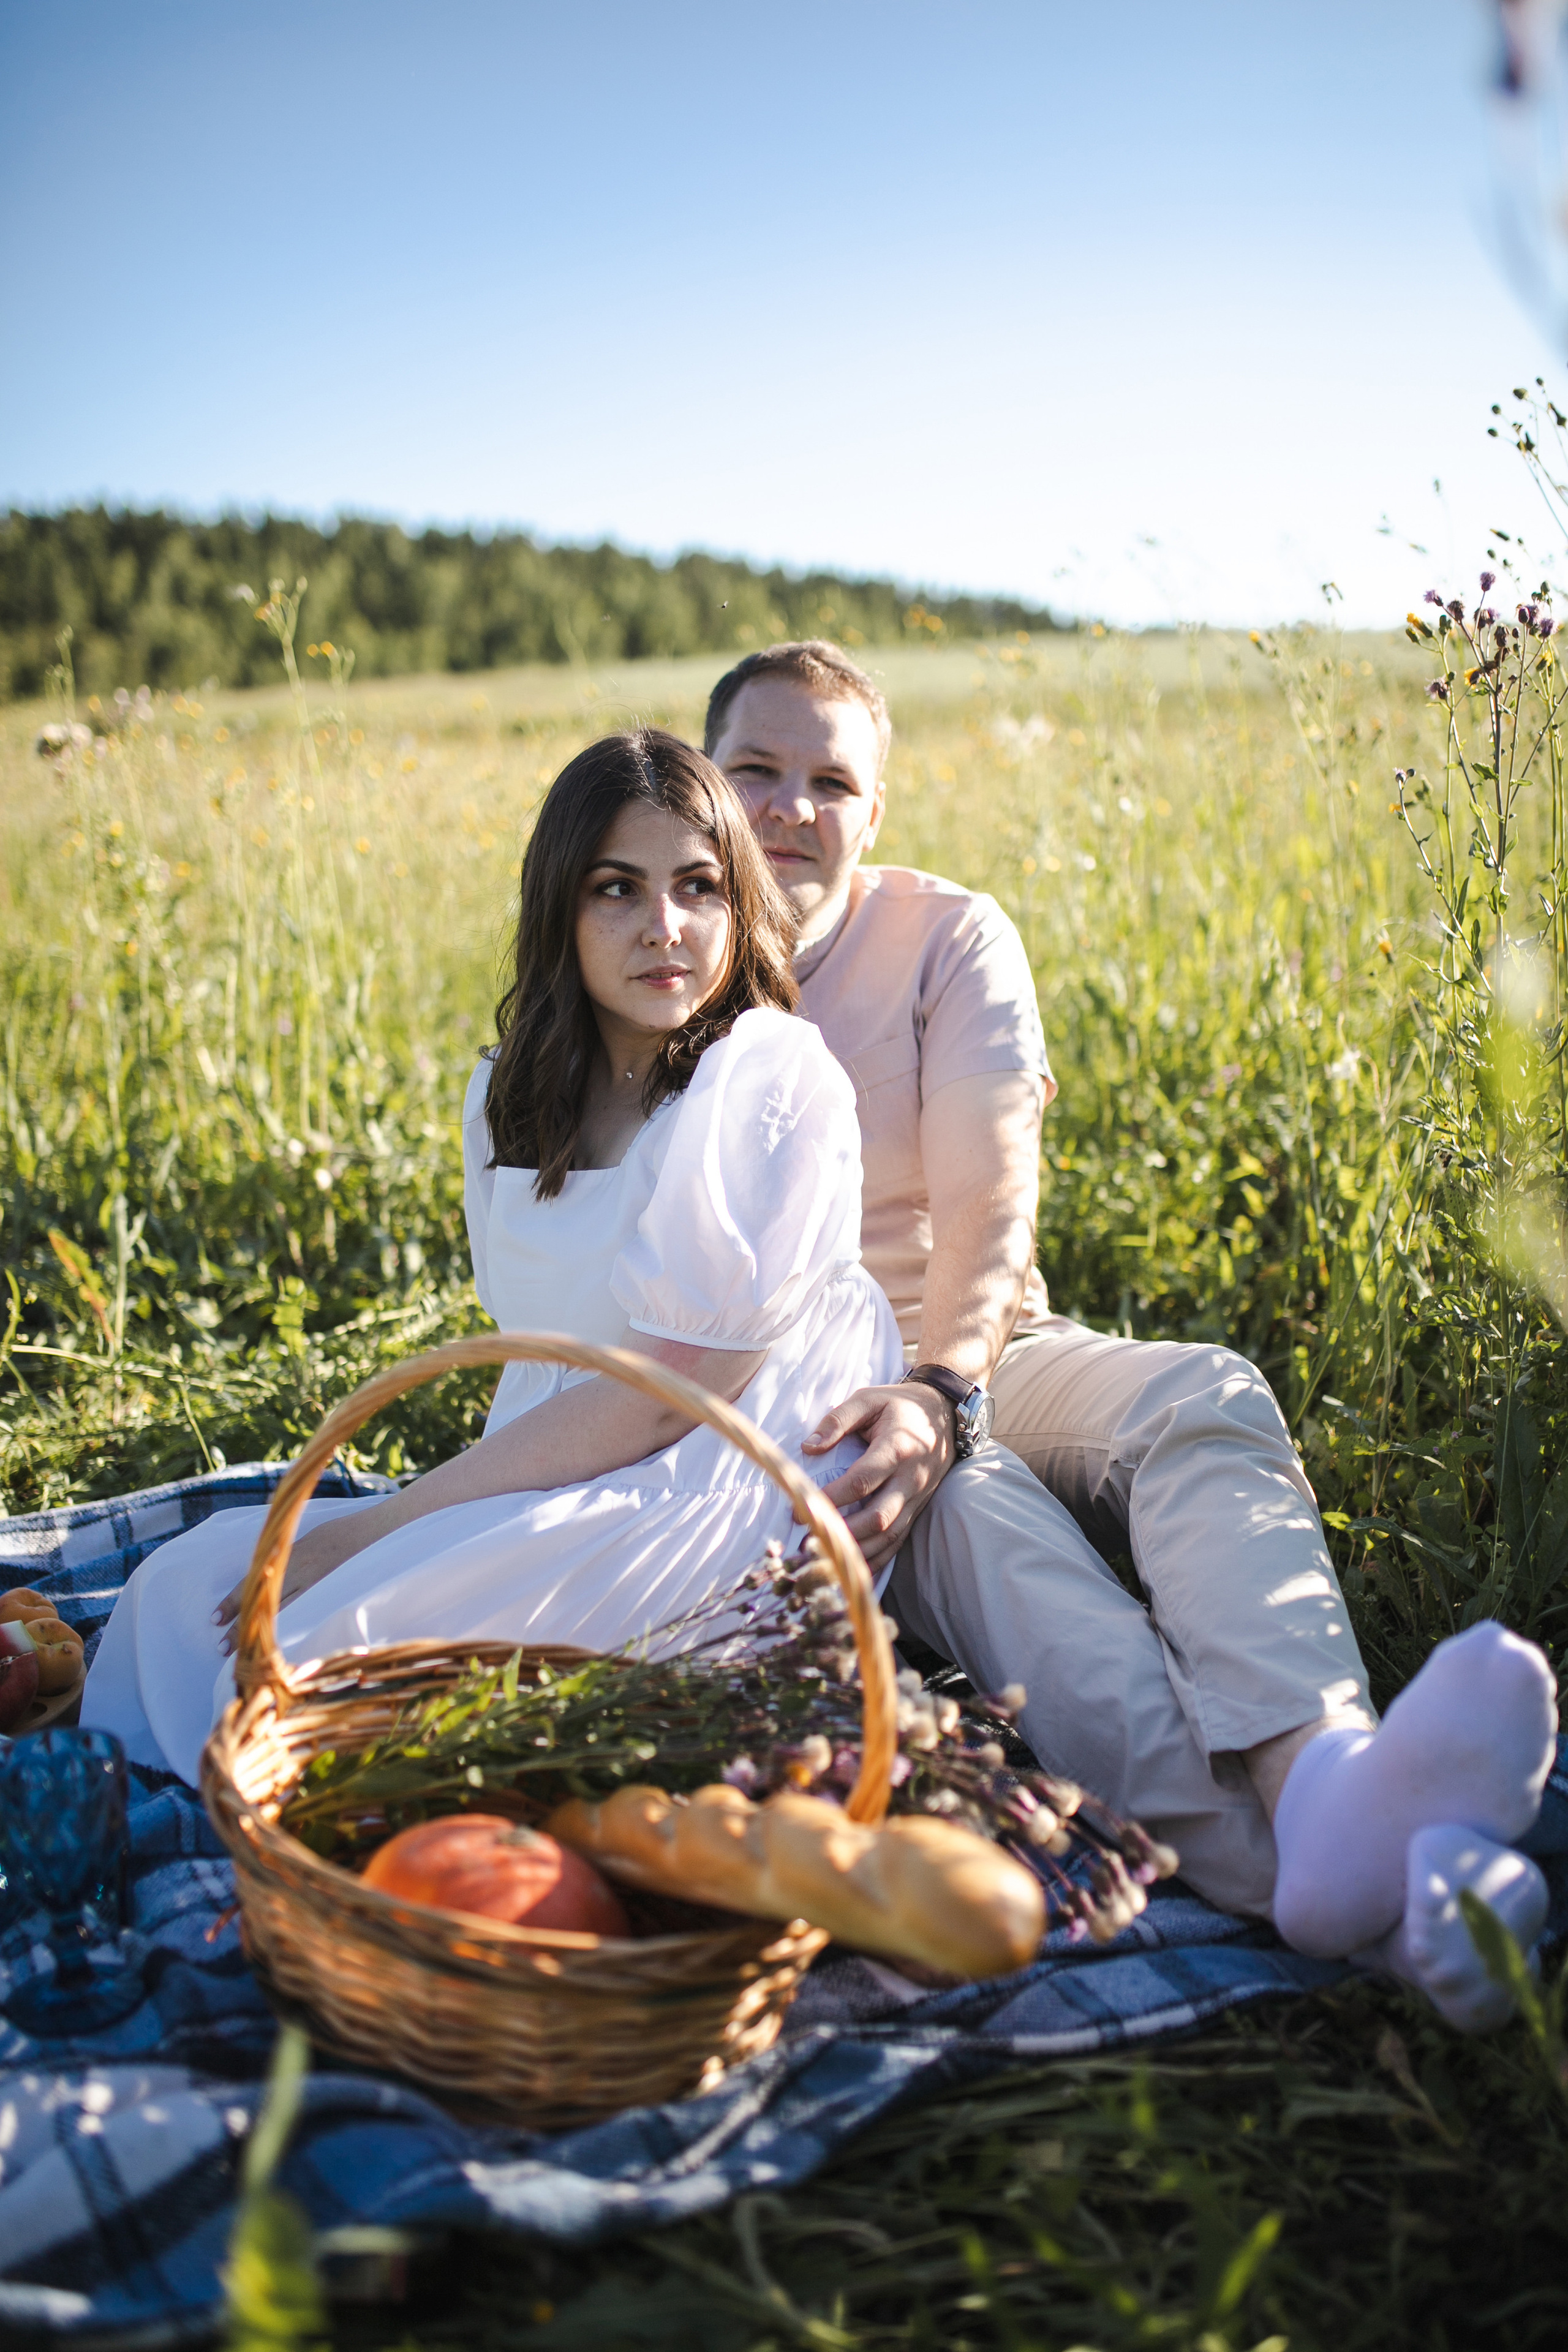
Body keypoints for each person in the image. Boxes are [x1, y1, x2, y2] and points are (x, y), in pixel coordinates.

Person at [706, 639, 1558, 2030]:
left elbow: (989, 1209)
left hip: (985, 1347)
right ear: (703, 785)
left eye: (828, 781)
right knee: (988, 1536)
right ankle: (1350, 1892)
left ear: (877, 812)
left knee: (1199, 1392)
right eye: (756, 771)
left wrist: (943, 1386)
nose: (792, 808)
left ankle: (1327, 1775)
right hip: (822, 1403)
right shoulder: (670, 961)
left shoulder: (946, 936)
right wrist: (895, 1423)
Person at [83, 729, 902, 1787]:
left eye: (699, 887)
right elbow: (551, 1359)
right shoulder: (509, 1095)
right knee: (177, 1590)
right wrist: (422, 1519)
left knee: (341, 1643)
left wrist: (379, 1528)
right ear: (561, 906)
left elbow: (669, 1395)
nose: (666, 929)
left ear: (740, 906)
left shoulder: (766, 1075)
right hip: (567, 1441)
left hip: (723, 1468)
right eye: (618, 889)